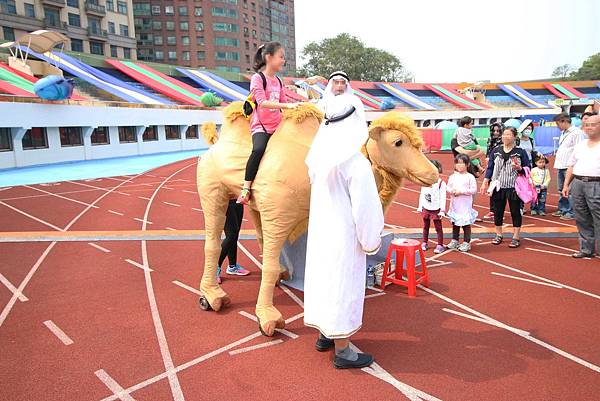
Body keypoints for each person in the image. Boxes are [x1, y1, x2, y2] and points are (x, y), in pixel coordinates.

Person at [304, 71, 384, 369]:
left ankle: (325, 334)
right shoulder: (356, 164)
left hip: (322, 233)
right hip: (343, 237)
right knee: (342, 286)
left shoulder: (318, 157)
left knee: (324, 281)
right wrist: (370, 240)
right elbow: (365, 209)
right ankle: (343, 350)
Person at [237, 41, 298, 204]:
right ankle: (246, 188)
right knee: (258, 149)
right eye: (281, 57)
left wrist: (298, 107)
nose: (283, 60)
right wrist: (286, 105)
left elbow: (284, 101)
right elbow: (262, 102)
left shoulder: (278, 80)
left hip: (278, 125)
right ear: (269, 58)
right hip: (262, 126)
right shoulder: (258, 78)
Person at [481, 127, 532, 248]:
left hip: (514, 186)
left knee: (515, 211)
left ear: (514, 137)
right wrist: (485, 182)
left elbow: (528, 168)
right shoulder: (496, 150)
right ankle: (498, 234)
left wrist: (520, 168)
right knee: (497, 211)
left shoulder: (520, 152)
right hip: (498, 186)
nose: (505, 137)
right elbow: (490, 168)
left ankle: (516, 237)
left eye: (508, 135)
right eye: (504, 134)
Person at [562, 114, 600, 258]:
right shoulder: (580, 145)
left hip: (596, 183)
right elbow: (571, 165)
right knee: (581, 216)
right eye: (587, 124)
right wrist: (566, 184)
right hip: (578, 183)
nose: (589, 127)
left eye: (593, 124)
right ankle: (586, 248)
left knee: (598, 216)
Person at [552, 112, 586, 220]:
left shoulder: (577, 133)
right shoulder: (564, 133)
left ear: (565, 121)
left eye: (558, 124)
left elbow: (579, 149)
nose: (558, 127)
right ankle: (563, 208)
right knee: (561, 189)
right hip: (561, 164)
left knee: (570, 190)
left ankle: (571, 212)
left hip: (569, 166)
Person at [446, 154, 478, 252]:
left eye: (462, 163)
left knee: (465, 224)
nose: (459, 165)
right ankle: (455, 240)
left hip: (465, 205)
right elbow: (448, 187)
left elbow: (474, 190)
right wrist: (452, 191)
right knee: (455, 223)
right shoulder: (452, 176)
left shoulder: (470, 177)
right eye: (457, 163)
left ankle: (466, 242)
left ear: (467, 164)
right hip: (455, 204)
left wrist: (462, 192)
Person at [216, 200, 250, 284]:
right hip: (225, 201)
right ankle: (214, 268)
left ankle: (232, 266)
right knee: (231, 234)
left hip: (238, 200)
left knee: (235, 234)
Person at [417, 160, 446, 254]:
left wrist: (442, 210)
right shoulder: (425, 181)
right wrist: (420, 206)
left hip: (436, 209)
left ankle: (440, 244)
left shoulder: (441, 183)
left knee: (438, 227)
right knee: (425, 226)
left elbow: (443, 197)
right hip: (426, 207)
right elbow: (422, 194)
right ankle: (424, 242)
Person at [482, 122, 503, 221]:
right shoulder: (490, 140)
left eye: (498, 131)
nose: (496, 133)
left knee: (501, 189)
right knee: (492, 189)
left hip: (502, 168)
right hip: (492, 166)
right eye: (494, 131)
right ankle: (492, 210)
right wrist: (488, 159)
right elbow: (488, 152)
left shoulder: (503, 141)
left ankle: (499, 210)